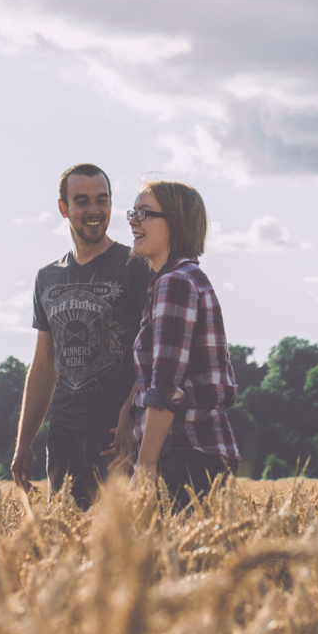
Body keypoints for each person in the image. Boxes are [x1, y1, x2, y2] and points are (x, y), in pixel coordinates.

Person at [12, 163, 150, 508]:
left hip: (115, 437)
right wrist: (24, 441)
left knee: (120, 549)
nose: (94, 211)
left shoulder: (135, 266)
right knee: (65, 547)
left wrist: (132, 415)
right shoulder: (47, 278)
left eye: (102, 200)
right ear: (64, 208)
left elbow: (153, 350)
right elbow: (43, 365)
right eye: (82, 201)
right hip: (63, 438)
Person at [120, 179, 240, 506]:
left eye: (144, 214)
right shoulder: (182, 279)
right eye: (133, 212)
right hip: (194, 456)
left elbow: (165, 387)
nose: (132, 220)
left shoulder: (175, 283)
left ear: (174, 222)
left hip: (184, 458)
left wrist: (144, 468)